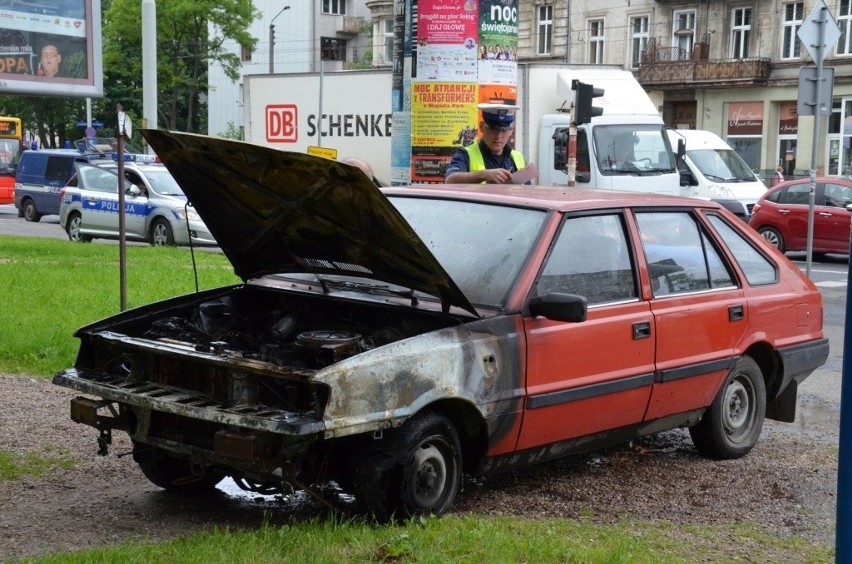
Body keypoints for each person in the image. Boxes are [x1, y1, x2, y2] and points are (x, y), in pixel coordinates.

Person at [444, 103, 527, 184]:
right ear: (481, 127)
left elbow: (529, 191)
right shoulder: (464, 154)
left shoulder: (519, 158)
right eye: (493, 129)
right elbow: (449, 180)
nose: (498, 136)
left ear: (511, 131)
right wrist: (484, 175)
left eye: (504, 130)